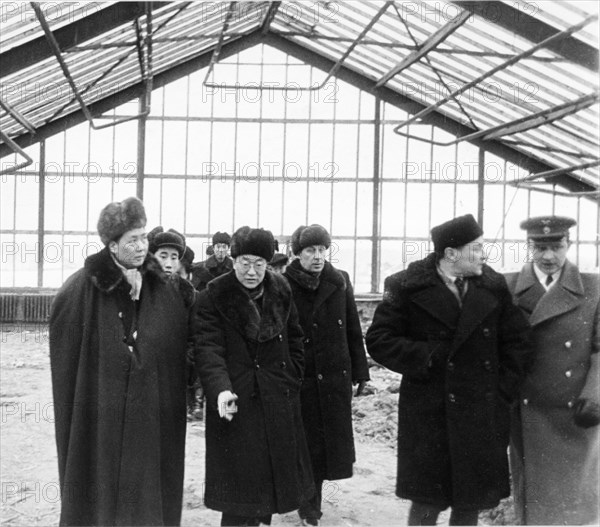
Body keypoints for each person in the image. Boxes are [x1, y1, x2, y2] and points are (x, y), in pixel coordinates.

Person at [365, 214, 531, 526]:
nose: (484, 254)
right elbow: (379, 339)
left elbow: (519, 341)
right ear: (451, 254)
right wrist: (428, 356)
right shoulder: (403, 287)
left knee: (470, 502)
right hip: (429, 412)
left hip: (482, 411)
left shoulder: (493, 286)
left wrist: (501, 392)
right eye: (477, 248)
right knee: (427, 503)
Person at [49, 197, 197, 526]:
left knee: (146, 485)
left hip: (150, 412)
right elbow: (71, 364)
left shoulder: (164, 288)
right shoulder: (79, 291)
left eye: (144, 237)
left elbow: (175, 341)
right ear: (113, 245)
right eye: (133, 240)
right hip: (104, 415)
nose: (142, 246)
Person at [195, 226, 314, 526]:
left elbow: (296, 339)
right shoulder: (213, 296)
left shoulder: (281, 290)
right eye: (245, 263)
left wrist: (292, 377)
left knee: (269, 490)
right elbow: (209, 349)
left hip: (277, 399)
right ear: (233, 260)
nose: (251, 271)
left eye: (259, 264)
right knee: (239, 496)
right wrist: (221, 390)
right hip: (236, 402)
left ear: (267, 263)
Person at [505, 215, 599, 525]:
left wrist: (595, 394)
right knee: (535, 505)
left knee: (576, 503)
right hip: (527, 408)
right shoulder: (507, 287)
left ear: (568, 245)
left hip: (576, 408)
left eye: (556, 247)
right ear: (529, 247)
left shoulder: (594, 288)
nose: (548, 256)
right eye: (539, 247)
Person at [283, 224, 370, 526]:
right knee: (304, 444)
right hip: (301, 377)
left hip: (333, 377)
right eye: (311, 251)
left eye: (322, 250)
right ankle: (307, 503)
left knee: (325, 448)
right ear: (298, 253)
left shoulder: (339, 280)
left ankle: (312, 503)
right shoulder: (283, 284)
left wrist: (361, 372)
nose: (318, 256)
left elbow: (351, 328)